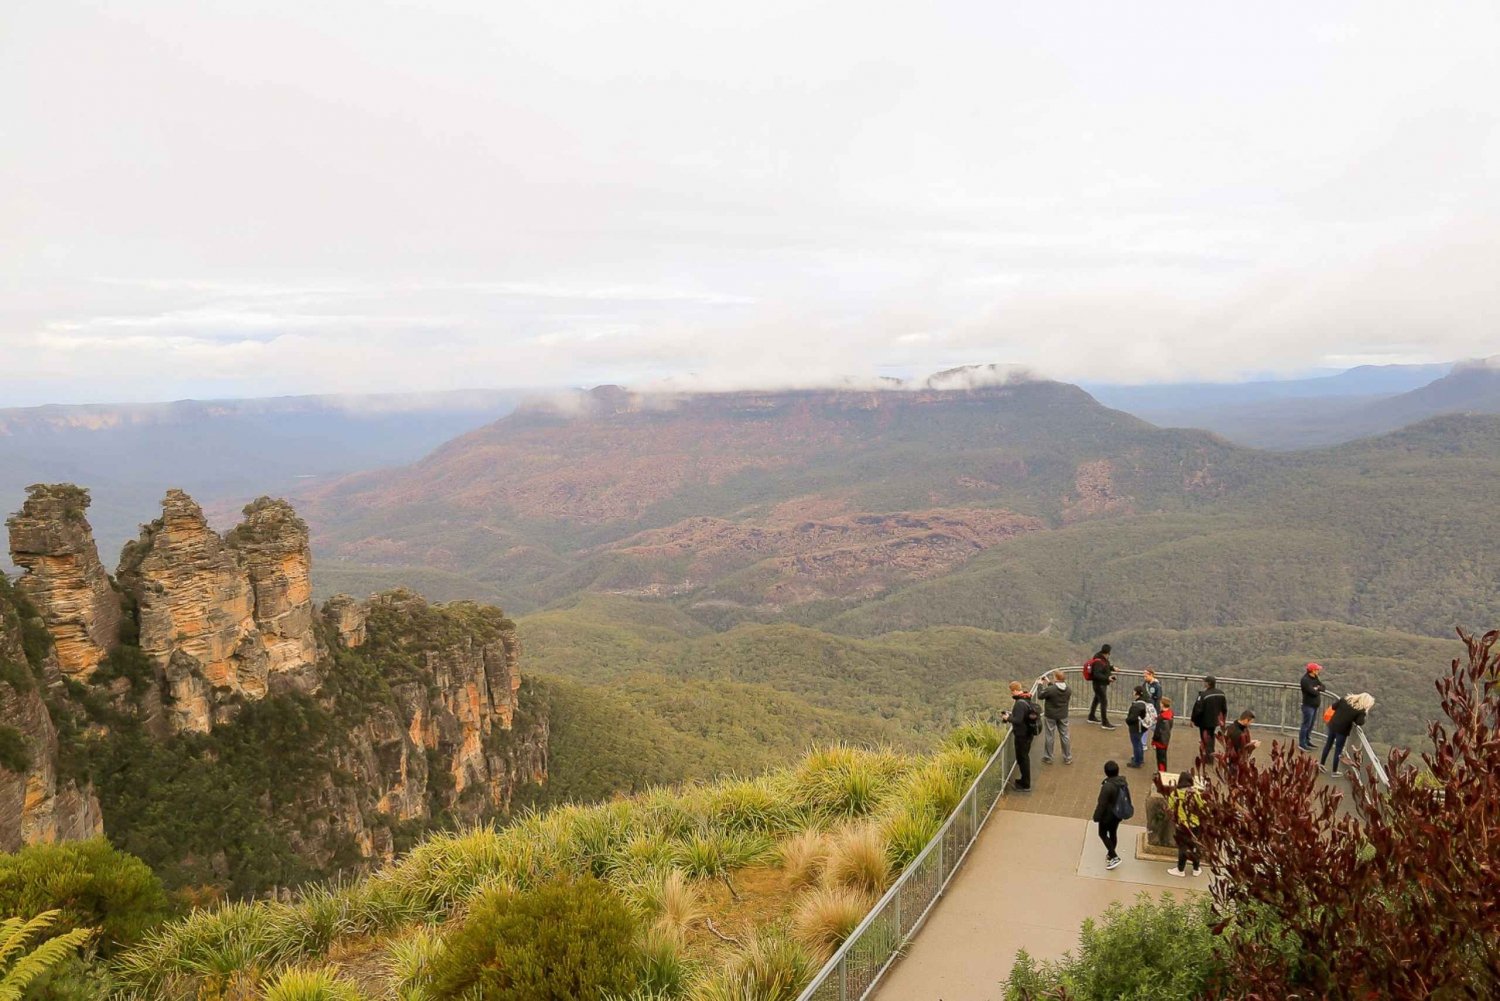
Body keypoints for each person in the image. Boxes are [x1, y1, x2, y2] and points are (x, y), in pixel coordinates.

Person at [1320, 692, 1374, 777]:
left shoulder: (1344, 700)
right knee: (1338, 750)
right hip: (1342, 730)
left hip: (1333, 725)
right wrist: (1365, 713)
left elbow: (1334, 707)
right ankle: (1334, 771)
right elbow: (1359, 722)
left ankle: (1321, 764)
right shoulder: (1360, 711)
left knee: (1328, 745)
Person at [1165, 769, 1203, 878]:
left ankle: (1180, 869)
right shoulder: (1196, 794)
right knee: (1195, 845)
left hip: (1182, 825)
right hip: (1195, 824)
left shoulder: (1175, 794)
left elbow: (1170, 807)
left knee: (1182, 847)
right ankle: (1196, 868)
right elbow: (1202, 806)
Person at [1003, 681, 1039, 791]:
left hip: (1022, 735)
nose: (1011, 694)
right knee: (1023, 757)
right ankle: (1023, 780)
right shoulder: (1026, 698)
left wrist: (1007, 718)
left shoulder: (1019, 703)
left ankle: (1025, 784)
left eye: (1011, 691)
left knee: (1023, 758)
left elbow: (1018, 720)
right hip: (1028, 733)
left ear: (1014, 690)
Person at [1092, 760, 1129, 870]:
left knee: (1102, 833)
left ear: (1106, 772)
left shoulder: (1107, 787)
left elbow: (1102, 804)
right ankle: (1110, 854)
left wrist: (1096, 816)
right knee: (1113, 833)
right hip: (1118, 814)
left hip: (1107, 815)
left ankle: (1114, 856)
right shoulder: (1122, 782)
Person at [1037, 670, 1073, 765]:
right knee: (1065, 736)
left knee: (1050, 736)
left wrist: (1040, 684)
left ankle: (1048, 757)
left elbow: (1040, 696)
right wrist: (1049, 682)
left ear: (1056, 678)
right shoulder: (1068, 689)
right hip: (1063, 715)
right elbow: (1055, 690)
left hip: (1051, 715)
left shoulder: (1051, 689)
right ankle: (1067, 757)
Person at [1189, 676, 1228, 755]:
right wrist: (1223, 719)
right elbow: (1224, 708)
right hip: (1214, 720)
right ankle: (1211, 755)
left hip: (1204, 722)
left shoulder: (1203, 695)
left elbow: (1198, 709)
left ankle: (1208, 756)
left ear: (1208, 683)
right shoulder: (1221, 694)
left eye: (1205, 682)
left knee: (1205, 739)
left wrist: (1193, 720)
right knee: (1211, 737)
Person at [1085, 644, 1117, 729]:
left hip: (1100, 684)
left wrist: (1112, 668)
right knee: (1104, 702)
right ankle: (1105, 722)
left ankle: (1091, 716)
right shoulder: (1099, 661)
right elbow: (1097, 674)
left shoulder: (1100, 658)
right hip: (1100, 685)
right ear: (1108, 652)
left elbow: (1105, 667)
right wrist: (1107, 678)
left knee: (1096, 699)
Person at [1298, 662, 1327, 751]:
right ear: (1313, 670)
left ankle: (1307, 740)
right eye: (1317, 669)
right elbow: (1312, 692)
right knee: (1306, 725)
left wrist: (1317, 688)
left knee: (1310, 725)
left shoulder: (1315, 678)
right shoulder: (1305, 680)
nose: (1318, 671)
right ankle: (1302, 744)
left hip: (1314, 706)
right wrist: (1317, 688)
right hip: (1308, 706)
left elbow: (1323, 687)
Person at [1224, 710, 1260, 776]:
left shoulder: (1232, 727)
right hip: (1236, 764)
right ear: (1246, 720)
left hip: (1233, 761)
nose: (1250, 724)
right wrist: (1254, 746)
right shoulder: (1239, 733)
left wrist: (1250, 742)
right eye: (1250, 722)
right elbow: (1242, 750)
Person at [1125, 686, 1151, 768]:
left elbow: (1132, 718)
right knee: (1139, 743)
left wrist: (1127, 720)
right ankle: (1140, 759)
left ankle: (1137, 762)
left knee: (1136, 744)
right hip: (1142, 726)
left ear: (1137, 693)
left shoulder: (1137, 705)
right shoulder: (1144, 702)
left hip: (1136, 727)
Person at [1152, 696, 1174, 773]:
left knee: (1160, 758)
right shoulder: (1170, 714)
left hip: (1160, 741)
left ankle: (1161, 773)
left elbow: (1157, 731)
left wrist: (1153, 740)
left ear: (1162, 704)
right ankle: (1162, 771)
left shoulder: (1162, 718)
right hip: (1165, 739)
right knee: (1163, 757)